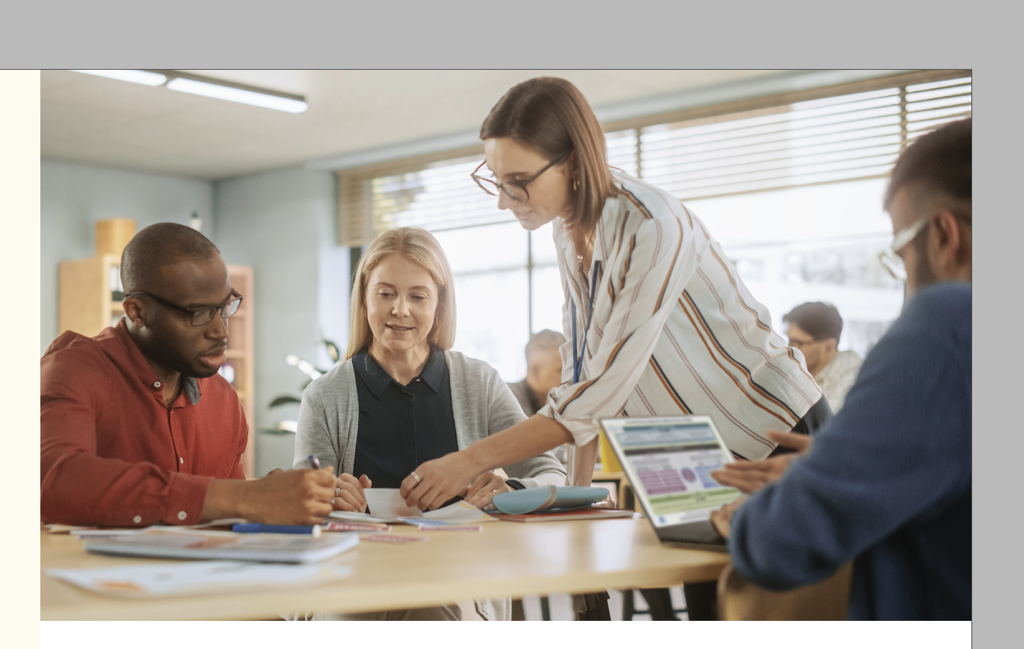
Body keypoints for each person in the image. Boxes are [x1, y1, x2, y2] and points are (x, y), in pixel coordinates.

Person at [399, 76, 832, 621]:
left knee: (782, 617)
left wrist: (468, 460)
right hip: (688, 453)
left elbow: (598, 395)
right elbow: (580, 374)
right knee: (711, 614)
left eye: (519, 183)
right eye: (496, 180)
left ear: (573, 162)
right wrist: (573, 510)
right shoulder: (568, 231)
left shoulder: (652, 224)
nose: (505, 202)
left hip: (771, 436)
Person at [710, 118, 971, 620]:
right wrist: (841, 465)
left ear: (943, 235)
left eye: (901, 252)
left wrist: (754, 514)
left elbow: (784, 539)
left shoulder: (948, 325)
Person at [291, 226, 566, 621]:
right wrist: (328, 497)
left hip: (456, 583)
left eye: (417, 296)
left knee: (436, 605)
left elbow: (553, 473)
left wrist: (512, 490)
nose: (400, 309)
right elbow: (299, 505)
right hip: (353, 582)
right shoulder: (324, 396)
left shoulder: (479, 383)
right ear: (365, 299)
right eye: (385, 293)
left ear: (439, 304)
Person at [41, 223, 338, 528]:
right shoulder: (72, 371)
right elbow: (53, 479)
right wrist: (243, 497)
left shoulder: (224, 399)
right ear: (136, 312)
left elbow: (230, 524)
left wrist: (290, 502)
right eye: (198, 313)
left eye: (225, 306)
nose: (220, 331)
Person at [783, 302, 863, 413]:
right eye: (788, 340)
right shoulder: (795, 369)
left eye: (797, 343)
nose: (788, 349)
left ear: (829, 346)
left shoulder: (851, 371)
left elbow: (833, 422)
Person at [507, 329, 568, 465]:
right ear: (535, 370)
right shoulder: (509, 397)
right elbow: (527, 448)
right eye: (560, 370)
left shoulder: (559, 399)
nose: (570, 377)